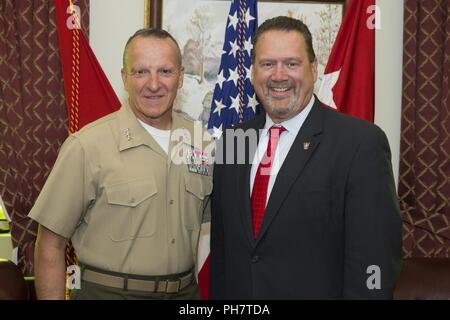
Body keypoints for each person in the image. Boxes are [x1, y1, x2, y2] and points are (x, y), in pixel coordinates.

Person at [210, 16, 402, 299]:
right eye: (267, 64)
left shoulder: (360, 144)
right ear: (252, 72)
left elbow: (375, 260)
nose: (278, 75)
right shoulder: (233, 140)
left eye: (291, 63)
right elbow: (224, 252)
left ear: (313, 68)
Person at [29, 28, 213, 300]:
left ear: (181, 77)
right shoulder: (87, 146)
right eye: (140, 72)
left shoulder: (202, 142)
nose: (153, 84)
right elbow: (50, 245)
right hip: (109, 294)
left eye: (165, 71)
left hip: (185, 294)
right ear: (125, 79)